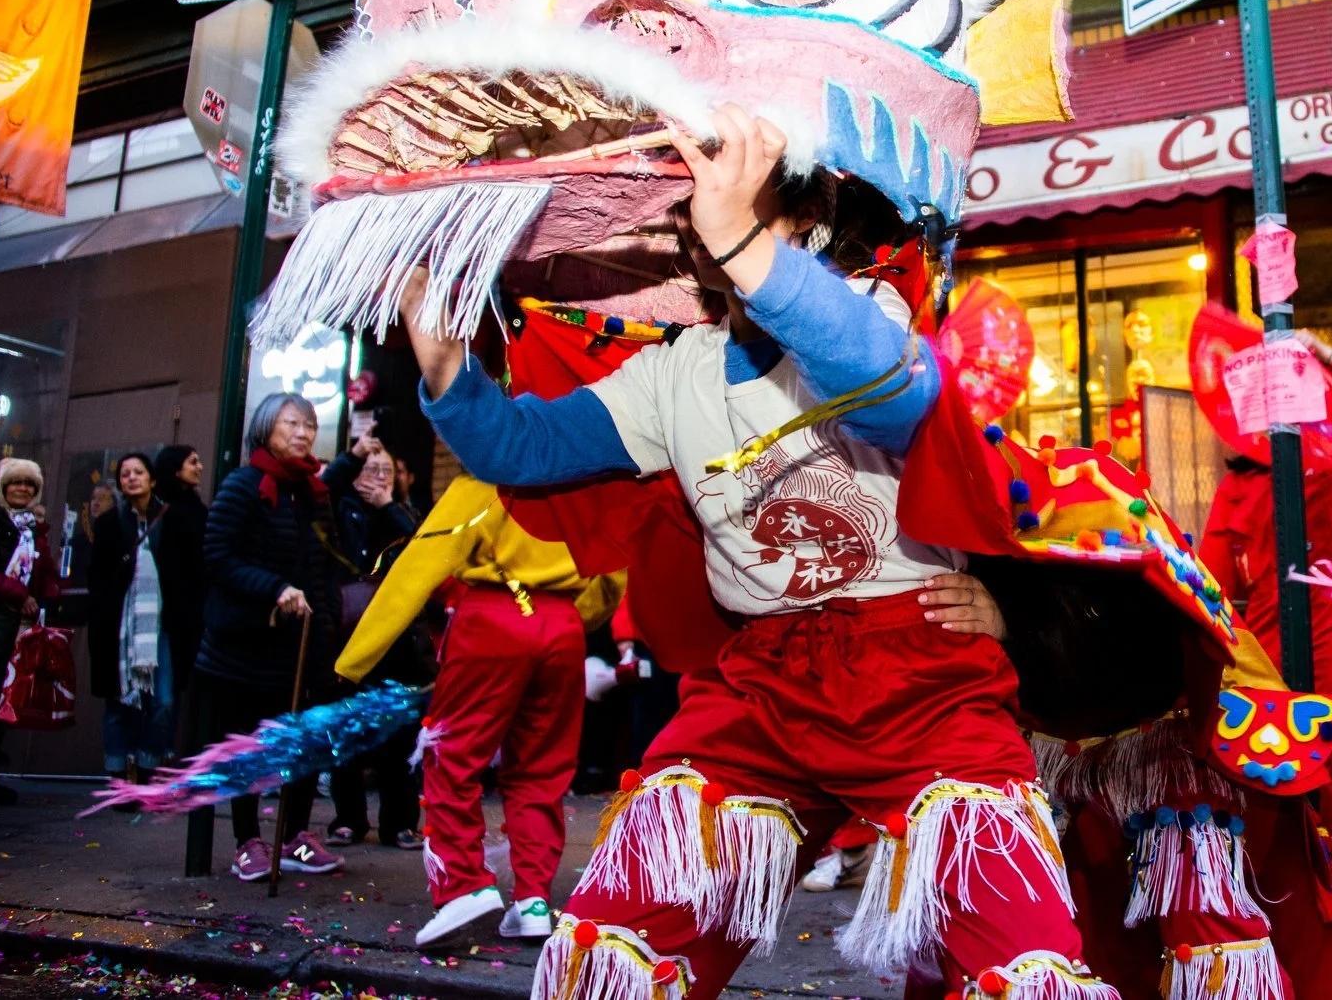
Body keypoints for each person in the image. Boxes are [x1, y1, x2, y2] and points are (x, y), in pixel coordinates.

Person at [401, 108, 1112, 996]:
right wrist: (442, 367)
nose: (704, 222)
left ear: (805, 223)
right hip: (759, 683)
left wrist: (743, 241)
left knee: (1022, 962)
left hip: (920, 671)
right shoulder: (672, 372)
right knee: (614, 947)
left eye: (730, 202)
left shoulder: (869, 308)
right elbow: (519, 449)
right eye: (693, 211)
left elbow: (890, 400)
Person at [337, 474, 622, 945]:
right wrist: (571, 616)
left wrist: (354, 659)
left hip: (493, 617)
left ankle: (464, 885)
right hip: (561, 625)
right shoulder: (582, 484)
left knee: (451, 755)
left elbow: (418, 566)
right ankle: (532, 899)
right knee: (540, 771)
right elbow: (614, 572)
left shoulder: (485, 480)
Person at [1199, 333, 1332, 889]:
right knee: (1274, 760)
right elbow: (1213, 578)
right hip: (1265, 636)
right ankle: (1287, 879)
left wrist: (1324, 353)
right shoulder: (1236, 486)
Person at [197, 393, 347, 882]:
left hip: (302, 648)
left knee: (304, 743)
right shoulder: (243, 486)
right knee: (249, 746)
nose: (303, 433)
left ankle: (295, 837)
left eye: (309, 425)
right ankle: (247, 842)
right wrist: (276, 589)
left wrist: (327, 632)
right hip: (245, 648)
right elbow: (218, 557)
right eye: (292, 424)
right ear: (266, 429)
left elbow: (322, 572)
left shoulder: (315, 494)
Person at [322, 432, 425, 850]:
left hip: (399, 640)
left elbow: (423, 552)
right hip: (350, 632)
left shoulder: (408, 514)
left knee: (400, 736)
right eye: (370, 469)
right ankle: (348, 819)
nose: (378, 478)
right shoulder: (337, 509)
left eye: (386, 471)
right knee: (347, 731)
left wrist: (387, 508)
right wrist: (352, 461)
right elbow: (324, 489)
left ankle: (399, 823)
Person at [88, 454, 176, 783]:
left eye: (139, 472)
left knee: (164, 703)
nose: (131, 478)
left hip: (161, 626)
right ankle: (117, 775)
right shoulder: (110, 522)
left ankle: (146, 765)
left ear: (152, 480)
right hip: (119, 626)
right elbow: (97, 577)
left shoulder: (169, 519)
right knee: (117, 705)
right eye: (125, 474)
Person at [0, 459, 56, 803]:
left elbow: (45, 577)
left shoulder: (35, 530)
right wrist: (20, 595)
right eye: (15, 483)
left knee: (4, 702)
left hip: (18, 630)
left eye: (29, 485)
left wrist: (50, 596)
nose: (22, 490)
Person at [149, 446, 209, 703]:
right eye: (192, 462)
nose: (200, 467)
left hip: (188, 615)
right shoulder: (158, 509)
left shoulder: (196, 509)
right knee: (162, 696)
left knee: (174, 694)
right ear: (176, 470)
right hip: (161, 612)